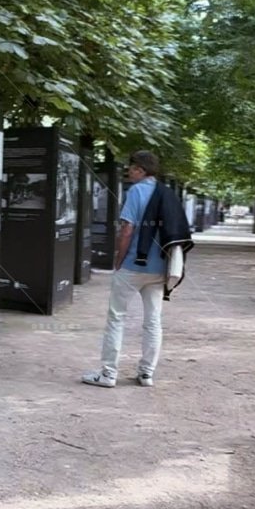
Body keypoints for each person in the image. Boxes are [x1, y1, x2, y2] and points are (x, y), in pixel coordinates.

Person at [83, 150, 167, 388]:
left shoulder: (136, 192)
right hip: (160, 267)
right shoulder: (166, 194)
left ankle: (108, 374)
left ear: (140, 169)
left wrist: (118, 260)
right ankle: (147, 373)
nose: (128, 173)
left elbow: (127, 230)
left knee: (117, 317)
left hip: (133, 265)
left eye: (131, 169)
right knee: (153, 321)